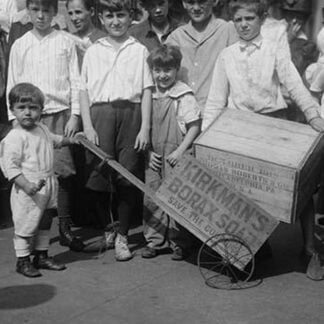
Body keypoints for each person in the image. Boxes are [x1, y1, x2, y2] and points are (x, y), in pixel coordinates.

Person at [202, 0, 324, 259]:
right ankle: (256, 246)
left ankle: (310, 249)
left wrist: (313, 115)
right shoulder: (227, 55)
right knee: (246, 190)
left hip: (274, 123)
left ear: (261, 19)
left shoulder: (274, 49)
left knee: (298, 185)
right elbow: (215, 100)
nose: (244, 25)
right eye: (238, 20)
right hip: (240, 128)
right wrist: (205, 136)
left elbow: (293, 83)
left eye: (249, 18)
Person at [7, 0, 85, 252]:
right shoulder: (21, 44)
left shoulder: (65, 41)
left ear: (54, 12)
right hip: (29, 118)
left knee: (61, 173)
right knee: (31, 174)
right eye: (36, 10)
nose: (41, 16)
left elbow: (76, 79)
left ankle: (63, 228)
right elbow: (12, 83)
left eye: (46, 11)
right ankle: (29, 233)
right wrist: (15, 121)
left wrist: (74, 115)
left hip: (59, 113)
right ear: (28, 11)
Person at [79, 0, 153, 261]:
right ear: (100, 18)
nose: (115, 22)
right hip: (100, 115)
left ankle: (123, 234)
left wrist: (145, 127)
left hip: (131, 115)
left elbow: (146, 91)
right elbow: (83, 90)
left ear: (130, 17)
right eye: (109, 16)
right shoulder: (93, 50)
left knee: (127, 175)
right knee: (99, 175)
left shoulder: (139, 50)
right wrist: (87, 125)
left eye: (120, 15)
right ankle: (108, 230)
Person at [0, 83, 74, 277]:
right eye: (21, 108)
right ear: (12, 110)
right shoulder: (15, 137)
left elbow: (55, 140)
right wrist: (26, 185)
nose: (27, 113)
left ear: (42, 110)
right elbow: (11, 167)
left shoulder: (41, 128)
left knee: (45, 221)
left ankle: (41, 256)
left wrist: (72, 140)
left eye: (33, 108)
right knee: (26, 223)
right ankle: (22, 260)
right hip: (27, 189)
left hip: (47, 185)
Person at [142, 44, 200, 260]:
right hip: (154, 153)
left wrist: (180, 151)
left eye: (167, 70)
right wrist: (148, 152)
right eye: (157, 70)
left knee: (178, 197)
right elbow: (144, 126)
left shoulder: (183, 94)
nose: (162, 75)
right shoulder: (149, 95)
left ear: (176, 69)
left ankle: (181, 242)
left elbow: (194, 126)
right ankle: (155, 241)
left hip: (177, 152)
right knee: (152, 195)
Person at [166, 0, 238, 111]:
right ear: (184, 3)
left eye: (201, 2)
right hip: (183, 112)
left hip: (217, 111)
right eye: (191, 2)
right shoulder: (176, 37)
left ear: (214, 2)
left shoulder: (228, 30)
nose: (196, 8)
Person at [66, 0, 107, 69]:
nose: (74, 18)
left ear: (91, 11)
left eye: (78, 12)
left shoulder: (104, 40)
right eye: (70, 13)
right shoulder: (68, 40)